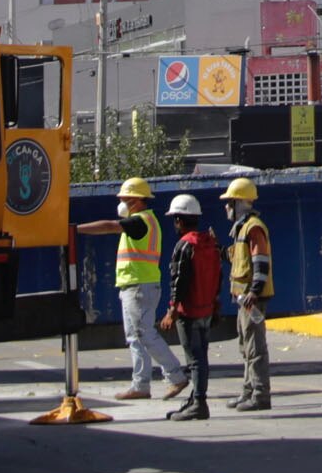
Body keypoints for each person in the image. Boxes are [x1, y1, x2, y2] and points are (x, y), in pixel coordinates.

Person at [74, 177, 187, 402]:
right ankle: (141, 385)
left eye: (125, 199)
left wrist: (75, 230)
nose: (122, 203)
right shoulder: (145, 220)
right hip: (134, 286)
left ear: (136, 200)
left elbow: (109, 226)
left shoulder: (139, 221)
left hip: (139, 287)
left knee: (144, 334)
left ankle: (176, 376)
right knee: (135, 337)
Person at [158, 191, 223, 421]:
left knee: (194, 360)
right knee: (201, 358)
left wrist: (172, 311)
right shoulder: (210, 243)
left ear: (179, 220)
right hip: (206, 309)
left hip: (189, 312)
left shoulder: (184, 246)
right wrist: (215, 304)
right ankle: (196, 399)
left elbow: (178, 281)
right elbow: (218, 276)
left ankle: (199, 403)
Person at [222, 178, 275, 411]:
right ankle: (248, 392)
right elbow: (239, 260)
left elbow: (260, 261)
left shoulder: (253, 227)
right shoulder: (242, 229)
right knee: (246, 347)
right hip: (243, 298)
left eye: (229, 202)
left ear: (239, 203)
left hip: (252, 298)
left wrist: (254, 291)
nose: (226, 207)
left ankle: (260, 395)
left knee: (255, 348)